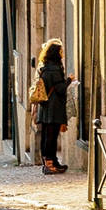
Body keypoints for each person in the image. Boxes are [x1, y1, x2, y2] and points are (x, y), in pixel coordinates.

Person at [34, 39, 70, 174]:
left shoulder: (45, 67)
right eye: (60, 51)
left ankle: (51, 162)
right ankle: (50, 165)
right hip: (53, 108)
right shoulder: (54, 69)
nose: (62, 53)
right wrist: (69, 81)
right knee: (51, 137)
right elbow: (60, 89)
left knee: (47, 136)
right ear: (56, 53)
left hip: (45, 108)